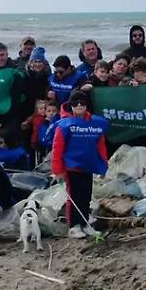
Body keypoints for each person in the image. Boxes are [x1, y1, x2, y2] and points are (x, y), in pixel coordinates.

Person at [51, 90, 108, 238]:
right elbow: (57, 148)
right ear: (71, 105)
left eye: (82, 103)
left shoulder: (96, 123)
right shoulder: (64, 125)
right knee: (74, 196)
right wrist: (58, 170)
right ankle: (74, 225)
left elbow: (100, 144)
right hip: (71, 166)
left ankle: (84, 222)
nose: (79, 106)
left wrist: (103, 163)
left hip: (87, 165)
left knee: (86, 195)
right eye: (75, 103)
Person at [0, 42, 27, 144]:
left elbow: (16, 101)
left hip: (8, 116)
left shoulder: (14, 73)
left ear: (7, 55)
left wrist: (1, 122)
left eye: (2, 55)